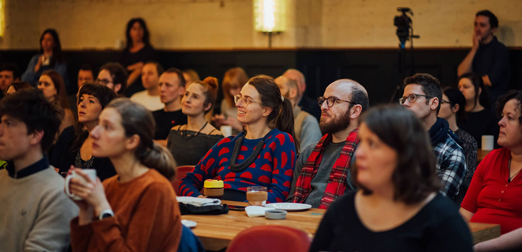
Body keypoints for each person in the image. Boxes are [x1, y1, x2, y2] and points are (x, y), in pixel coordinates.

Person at [309, 105, 473, 252]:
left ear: (404, 154)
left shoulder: (443, 221)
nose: (359, 153)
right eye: (362, 142)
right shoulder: (342, 209)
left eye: (372, 144)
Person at [69, 99, 182, 252]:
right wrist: (85, 210)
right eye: (98, 124)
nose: (94, 133)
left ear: (132, 141)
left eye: (107, 127)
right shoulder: (109, 185)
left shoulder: (155, 189)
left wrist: (102, 207)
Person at [179, 75, 297, 202]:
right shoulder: (227, 144)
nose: (238, 104)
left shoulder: (280, 141)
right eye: (239, 97)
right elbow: (187, 181)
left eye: (247, 100)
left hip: (254, 216)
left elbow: (280, 194)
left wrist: (245, 207)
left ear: (266, 110)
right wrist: (201, 200)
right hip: (220, 214)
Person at [0, 89, 78, 252]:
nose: (0, 131)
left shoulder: (58, 194)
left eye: (9, 124)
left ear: (35, 135)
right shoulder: (2, 178)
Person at [287, 79, 368, 208]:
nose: (323, 107)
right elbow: (291, 202)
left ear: (355, 111)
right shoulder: (309, 152)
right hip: (300, 223)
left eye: (334, 101)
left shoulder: (366, 155)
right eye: (323, 101)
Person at [461, 90, 522, 236]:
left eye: (510, 117)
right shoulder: (491, 158)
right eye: (502, 116)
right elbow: (465, 213)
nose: (500, 122)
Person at [400, 73, 467, 202]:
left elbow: (435, 202)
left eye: (412, 98)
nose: (405, 104)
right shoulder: (397, 139)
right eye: (404, 99)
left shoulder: (452, 151)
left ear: (433, 103)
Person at [49, 83, 117, 181]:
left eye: (91, 101)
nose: (82, 104)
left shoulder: (112, 146)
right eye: (81, 100)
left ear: (105, 109)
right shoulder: (72, 138)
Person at [167, 77, 223, 166]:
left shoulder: (215, 138)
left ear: (207, 106)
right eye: (186, 94)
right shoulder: (175, 132)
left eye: (195, 97)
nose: (187, 100)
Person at [457, 10, 510, 104]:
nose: (477, 29)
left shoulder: (500, 49)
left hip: (493, 99)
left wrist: (470, 83)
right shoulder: (476, 48)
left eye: (482, 25)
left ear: (493, 29)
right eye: (476, 24)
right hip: (475, 98)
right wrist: (474, 49)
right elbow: (461, 73)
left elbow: (490, 80)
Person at [439, 87, 478, 204]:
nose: (436, 106)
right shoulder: (433, 134)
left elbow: (469, 179)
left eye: (442, 102)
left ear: (455, 108)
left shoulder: (467, 140)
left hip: (456, 197)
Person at [275, 75, 321, 150]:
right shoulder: (269, 120)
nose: (274, 92)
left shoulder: (308, 121)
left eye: (279, 87)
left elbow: (307, 158)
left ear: (293, 92)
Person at [458, 72, 499, 148]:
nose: (461, 90)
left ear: (479, 90)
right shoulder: (456, 114)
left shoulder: (490, 118)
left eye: (466, 87)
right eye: (459, 87)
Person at [120, 18, 158, 97]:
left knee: (139, 70)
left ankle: (122, 88)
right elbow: (121, 68)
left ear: (144, 31)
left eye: (140, 28)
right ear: (129, 32)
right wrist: (133, 67)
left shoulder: (149, 51)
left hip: (141, 86)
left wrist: (136, 67)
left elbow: (144, 67)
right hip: (125, 81)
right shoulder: (125, 52)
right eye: (134, 29)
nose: (137, 32)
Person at [153, 68, 187, 141]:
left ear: (181, 90)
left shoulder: (187, 118)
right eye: (160, 84)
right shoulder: (151, 116)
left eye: (168, 85)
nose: (162, 89)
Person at [213, 67, 249, 135]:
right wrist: (220, 124)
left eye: (235, 87)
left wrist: (239, 127)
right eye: (228, 89)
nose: (231, 92)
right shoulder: (225, 103)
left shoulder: (251, 103)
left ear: (243, 84)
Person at [38, 70, 75, 135]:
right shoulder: (36, 110)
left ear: (56, 90)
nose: (41, 87)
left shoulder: (65, 114)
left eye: (46, 84)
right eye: (39, 83)